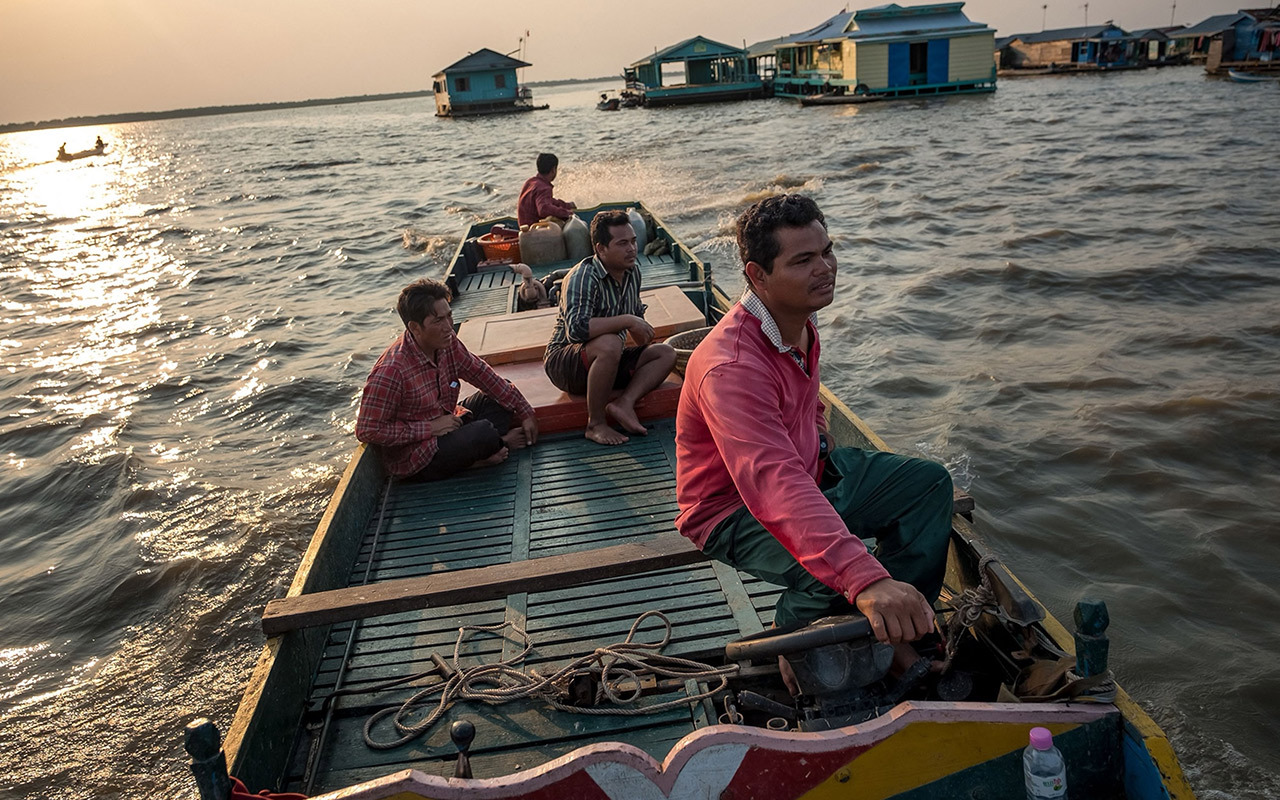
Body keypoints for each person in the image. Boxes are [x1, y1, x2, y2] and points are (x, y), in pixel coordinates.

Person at [674, 194, 953, 675]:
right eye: (803, 260)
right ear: (757, 276)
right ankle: (797, 653)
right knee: (831, 578)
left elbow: (810, 401)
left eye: (827, 251)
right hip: (731, 508)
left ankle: (899, 625)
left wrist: (821, 438)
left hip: (812, 466)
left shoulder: (798, 317)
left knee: (927, 485)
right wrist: (862, 577)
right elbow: (773, 482)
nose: (825, 268)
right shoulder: (731, 367)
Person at [356, 278, 539, 481]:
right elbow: (368, 430)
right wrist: (430, 428)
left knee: (501, 398)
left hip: (448, 423)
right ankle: (494, 447)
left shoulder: (448, 343)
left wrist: (525, 410)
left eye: (449, 316)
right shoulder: (391, 371)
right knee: (483, 432)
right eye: (438, 321)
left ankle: (486, 448)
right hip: (418, 455)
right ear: (415, 328)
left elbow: (482, 375)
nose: (448, 327)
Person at [543, 210, 677, 446]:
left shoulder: (633, 272)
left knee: (665, 353)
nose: (632, 249)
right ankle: (595, 424)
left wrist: (641, 329)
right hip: (565, 363)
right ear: (601, 248)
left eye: (634, 241)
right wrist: (627, 320)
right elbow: (576, 329)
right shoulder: (583, 277)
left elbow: (637, 331)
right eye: (622, 243)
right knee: (611, 343)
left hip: (607, 358)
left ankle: (624, 403)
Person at [517, 153, 576, 228]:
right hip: (533, 230)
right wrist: (567, 213)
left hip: (524, 226)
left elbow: (548, 201)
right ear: (553, 170)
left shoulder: (530, 182)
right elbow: (543, 209)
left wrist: (566, 205)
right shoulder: (544, 188)